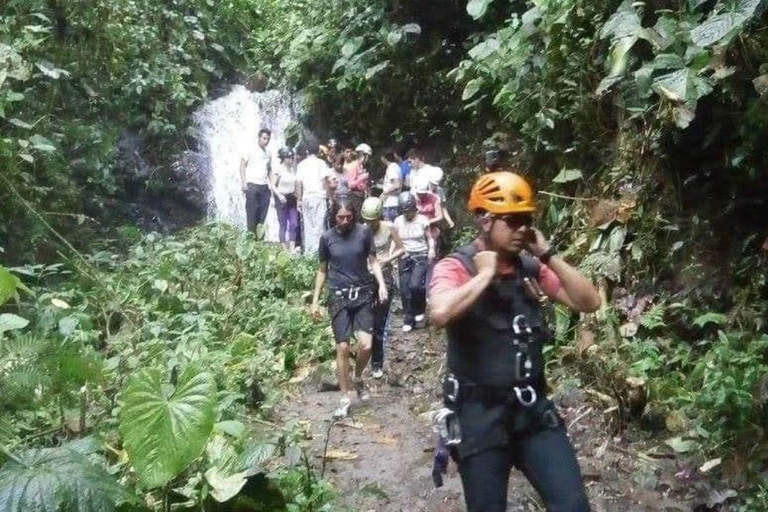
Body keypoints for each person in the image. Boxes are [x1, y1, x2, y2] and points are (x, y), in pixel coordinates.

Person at [428, 172, 601, 512]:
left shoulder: (530, 268)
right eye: (512, 220)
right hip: (478, 414)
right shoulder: (457, 266)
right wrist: (485, 275)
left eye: (527, 220)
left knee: (573, 505)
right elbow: (440, 312)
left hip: (531, 410)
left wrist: (547, 255)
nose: (522, 229)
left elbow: (589, 302)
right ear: (485, 220)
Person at [311, 198, 388, 418]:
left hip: (362, 294)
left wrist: (381, 284)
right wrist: (315, 300)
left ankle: (357, 377)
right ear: (333, 217)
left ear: (353, 216)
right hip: (338, 297)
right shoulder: (327, 238)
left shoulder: (364, 233)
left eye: (348, 217)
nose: (345, 221)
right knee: (343, 347)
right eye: (340, 217)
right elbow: (322, 270)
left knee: (366, 345)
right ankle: (345, 397)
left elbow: (373, 261)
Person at [361, 197, 405, 379]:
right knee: (364, 322)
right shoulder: (361, 231)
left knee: (379, 324)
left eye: (372, 221)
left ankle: (376, 363)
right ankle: (361, 359)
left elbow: (401, 249)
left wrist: (387, 259)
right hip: (365, 278)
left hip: (384, 277)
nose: (369, 224)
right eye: (366, 220)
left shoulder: (389, 228)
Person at [394, 191, 435, 333]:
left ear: (413, 208)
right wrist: (393, 255)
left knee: (415, 285)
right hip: (404, 256)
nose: (407, 214)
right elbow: (395, 240)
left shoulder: (422, 220)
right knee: (405, 290)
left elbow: (429, 237)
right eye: (404, 212)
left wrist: (431, 249)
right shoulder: (398, 221)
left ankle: (420, 309)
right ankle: (409, 319)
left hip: (420, 256)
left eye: (409, 211)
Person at [296, 141, 330, 255]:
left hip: (306, 198)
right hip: (319, 197)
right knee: (319, 226)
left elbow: (298, 183)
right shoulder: (321, 163)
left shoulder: (301, 165)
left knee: (308, 226)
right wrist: (328, 196)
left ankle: (309, 254)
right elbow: (324, 181)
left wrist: (299, 200)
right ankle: (319, 253)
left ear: (307, 151)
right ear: (318, 152)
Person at [240, 128, 273, 235]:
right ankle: (250, 238)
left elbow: (269, 169)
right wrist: (244, 182)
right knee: (251, 214)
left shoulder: (268, 153)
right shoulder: (250, 149)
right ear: (259, 138)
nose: (266, 141)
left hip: (264, 187)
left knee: (262, 217)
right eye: (264, 138)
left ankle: (259, 239)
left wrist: (272, 185)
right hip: (252, 185)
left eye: (268, 139)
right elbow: (242, 166)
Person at [272, 147, 300, 252]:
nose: (291, 159)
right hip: (281, 198)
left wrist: (298, 196)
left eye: (292, 157)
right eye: (289, 157)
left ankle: (292, 247)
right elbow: (272, 185)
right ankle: (284, 249)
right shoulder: (278, 169)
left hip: (291, 197)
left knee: (294, 223)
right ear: (283, 158)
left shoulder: (292, 169)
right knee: (283, 224)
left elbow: (296, 184)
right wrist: (279, 195)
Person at [380, 149, 403, 221]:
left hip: (391, 203)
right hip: (394, 201)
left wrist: (385, 193)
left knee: (389, 224)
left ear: (383, 158)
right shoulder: (396, 167)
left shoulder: (392, 168)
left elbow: (396, 185)